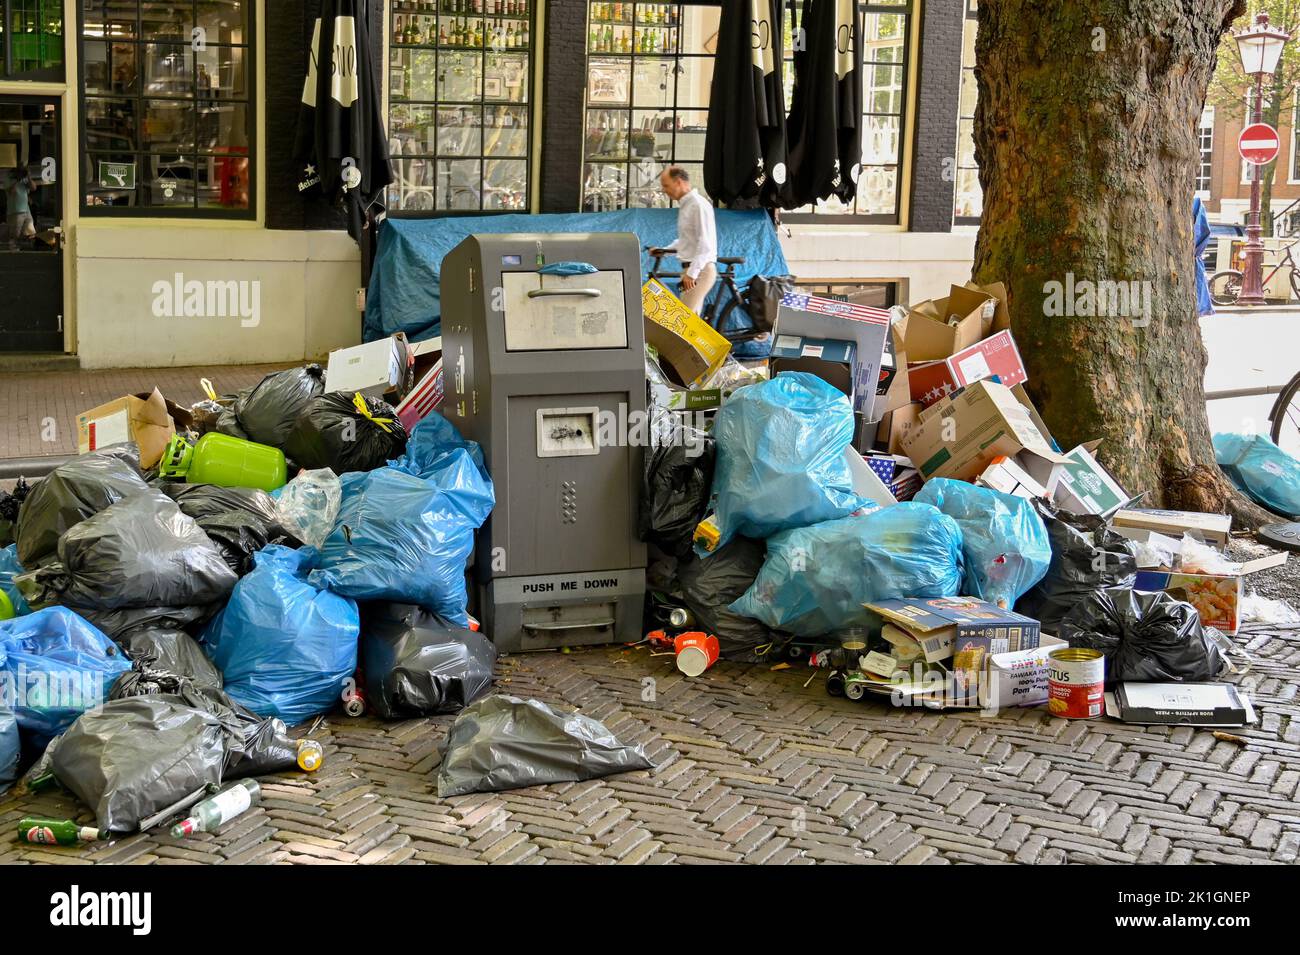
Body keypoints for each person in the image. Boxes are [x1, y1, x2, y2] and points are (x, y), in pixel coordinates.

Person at [655, 165, 717, 314]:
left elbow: (705, 243)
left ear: (679, 182)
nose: (664, 190)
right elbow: (687, 241)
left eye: (666, 185)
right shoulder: (687, 205)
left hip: (699, 271)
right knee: (691, 321)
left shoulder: (697, 205)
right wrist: (663, 250)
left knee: (683, 320)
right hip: (691, 270)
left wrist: (692, 274)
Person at [3, 164, 38, 252]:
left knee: (30, 231)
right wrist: (17, 180)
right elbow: (12, 192)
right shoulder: (8, 178)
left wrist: (28, 177)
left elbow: (33, 188)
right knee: (15, 233)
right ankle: (13, 251)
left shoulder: (24, 179)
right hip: (15, 210)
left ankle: (29, 248)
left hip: (26, 209)